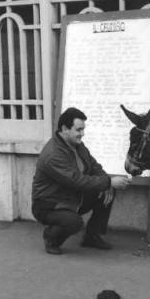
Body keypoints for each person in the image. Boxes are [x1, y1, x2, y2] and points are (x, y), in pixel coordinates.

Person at [31, 107, 131, 254]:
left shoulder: (77, 144)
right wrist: (109, 182)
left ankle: (92, 237)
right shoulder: (52, 155)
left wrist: (106, 183)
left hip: (71, 196)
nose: (82, 134)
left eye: (83, 130)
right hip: (49, 205)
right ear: (65, 129)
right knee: (74, 222)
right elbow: (76, 181)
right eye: (78, 130)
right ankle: (51, 238)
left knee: (106, 193)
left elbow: (93, 166)